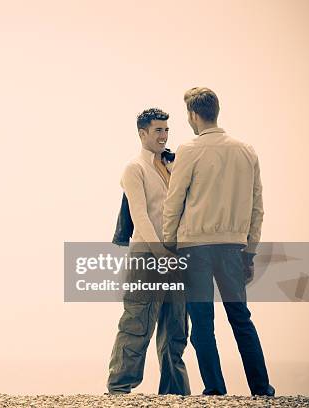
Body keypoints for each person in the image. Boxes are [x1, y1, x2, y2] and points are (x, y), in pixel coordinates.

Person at [163, 87, 275, 396]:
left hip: (195, 247)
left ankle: (215, 389)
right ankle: (261, 388)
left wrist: (169, 243)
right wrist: (250, 251)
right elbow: (257, 206)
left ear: (194, 115)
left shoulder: (189, 150)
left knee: (202, 322)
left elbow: (174, 201)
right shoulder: (246, 150)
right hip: (233, 248)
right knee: (240, 318)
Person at [107, 108, 190, 395]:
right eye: (158, 130)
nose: (164, 135)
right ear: (142, 133)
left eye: (166, 130)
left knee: (176, 328)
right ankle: (119, 389)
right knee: (137, 325)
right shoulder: (134, 168)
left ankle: (176, 393)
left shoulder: (172, 165)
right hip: (146, 258)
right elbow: (139, 215)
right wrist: (160, 252)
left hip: (175, 257)